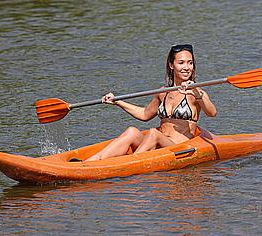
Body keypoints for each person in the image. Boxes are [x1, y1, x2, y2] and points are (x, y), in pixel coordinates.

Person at [85, 44, 217, 161]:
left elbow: (212, 112)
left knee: (153, 133)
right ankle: (91, 162)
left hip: (178, 149)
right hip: (158, 146)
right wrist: (118, 102)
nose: (187, 67)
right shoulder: (163, 92)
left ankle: (129, 163)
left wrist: (196, 93)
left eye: (190, 63)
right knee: (132, 131)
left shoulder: (197, 92)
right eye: (181, 63)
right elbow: (144, 114)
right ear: (171, 65)